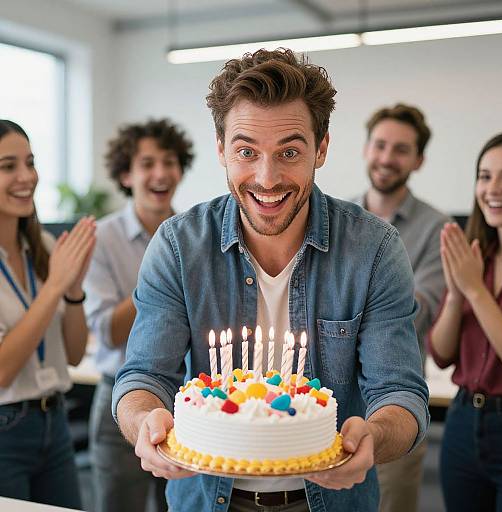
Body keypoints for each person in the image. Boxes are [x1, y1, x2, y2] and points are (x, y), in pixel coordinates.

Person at [112, 49, 429, 512]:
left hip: (334, 500)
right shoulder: (179, 246)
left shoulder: (374, 249)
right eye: (246, 151)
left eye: (289, 151)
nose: (267, 177)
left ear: (321, 148)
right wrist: (144, 421)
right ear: (220, 148)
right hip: (204, 499)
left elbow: (400, 392)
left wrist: (374, 437)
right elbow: (142, 375)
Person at [83, 118, 194, 512]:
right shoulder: (102, 238)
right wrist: (159, 271)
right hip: (121, 405)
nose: (160, 173)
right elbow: (107, 331)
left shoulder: (196, 235)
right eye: (147, 163)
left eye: (169, 161)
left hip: (184, 403)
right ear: (126, 175)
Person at [354, 103, 450, 512]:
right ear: (366, 148)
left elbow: (417, 313)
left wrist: (346, 302)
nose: (387, 158)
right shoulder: (335, 219)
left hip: (394, 408)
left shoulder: (438, 229)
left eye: (401, 149)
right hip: (328, 405)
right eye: (380, 145)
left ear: (419, 159)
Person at [0, 120, 96, 508]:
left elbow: (73, 354)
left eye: (31, 162)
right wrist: (56, 285)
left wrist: (72, 292)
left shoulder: (41, 245)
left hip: (53, 422)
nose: (27, 177)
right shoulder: (51, 262)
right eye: (8, 166)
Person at [429, 131, 502, 512]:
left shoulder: (474, 274)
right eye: (484, 175)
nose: (492, 188)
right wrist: (458, 294)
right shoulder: (476, 255)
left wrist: (476, 291)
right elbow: (442, 354)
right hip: (463, 422)